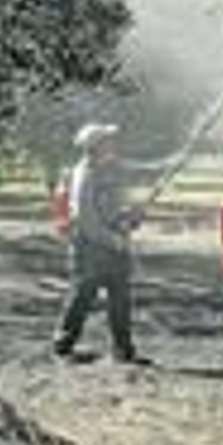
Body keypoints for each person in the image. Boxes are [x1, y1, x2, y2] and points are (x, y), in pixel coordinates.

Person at [51, 123, 150, 364]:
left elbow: (114, 210)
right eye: (108, 141)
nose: (114, 145)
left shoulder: (109, 171)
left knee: (120, 299)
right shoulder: (84, 175)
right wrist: (115, 240)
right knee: (82, 297)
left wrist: (132, 216)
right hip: (89, 247)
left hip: (112, 246)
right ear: (94, 147)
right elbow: (87, 219)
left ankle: (123, 350)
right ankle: (63, 345)